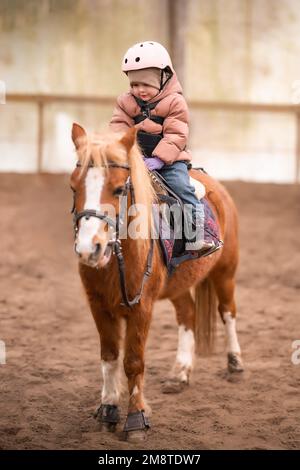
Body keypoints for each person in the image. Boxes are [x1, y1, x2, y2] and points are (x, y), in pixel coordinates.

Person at [109, 40, 219, 254]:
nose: (139, 90)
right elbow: (118, 127)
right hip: (136, 160)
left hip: (169, 161)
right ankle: (112, 235)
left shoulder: (175, 102)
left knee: (181, 187)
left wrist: (159, 159)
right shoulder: (125, 102)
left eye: (146, 85)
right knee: (114, 188)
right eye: (134, 84)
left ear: (164, 77)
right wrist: (125, 153)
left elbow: (176, 134)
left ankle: (198, 235)